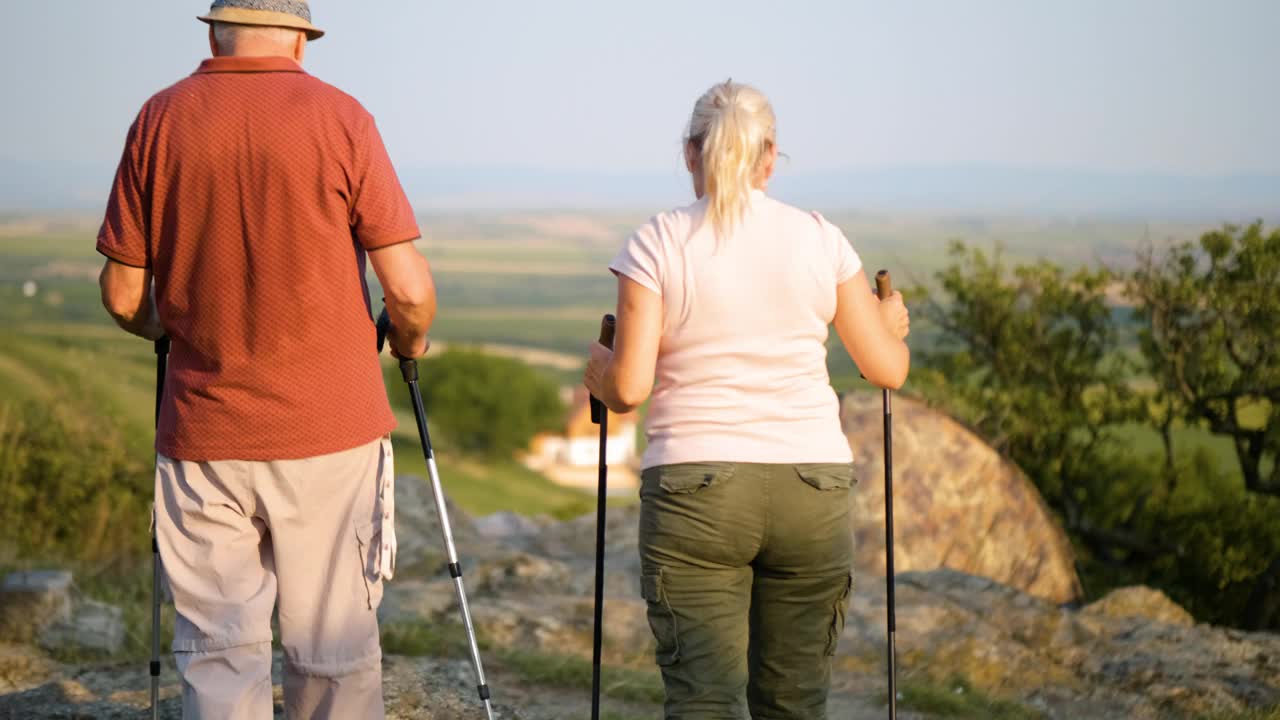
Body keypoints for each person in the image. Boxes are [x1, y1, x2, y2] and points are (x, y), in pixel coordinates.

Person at [96, 1, 435, 717]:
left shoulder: (160, 119)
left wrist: (174, 331)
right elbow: (408, 289)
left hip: (201, 434)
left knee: (218, 654)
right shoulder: (342, 117)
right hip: (331, 434)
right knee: (333, 653)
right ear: (301, 43)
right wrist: (408, 341)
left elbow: (124, 293)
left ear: (215, 32)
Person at [583, 80, 910, 719]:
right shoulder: (821, 238)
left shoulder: (657, 242)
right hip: (811, 486)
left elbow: (627, 388)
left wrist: (599, 371)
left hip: (695, 492)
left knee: (704, 701)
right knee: (793, 703)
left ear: (689, 154)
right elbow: (885, 369)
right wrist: (888, 323)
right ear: (769, 157)